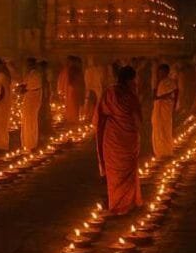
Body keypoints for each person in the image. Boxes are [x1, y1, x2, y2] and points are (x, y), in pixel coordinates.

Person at [95, 66, 143, 215]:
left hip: (112, 136)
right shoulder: (130, 96)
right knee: (127, 170)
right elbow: (137, 119)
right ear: (129, 80)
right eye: (133, 80)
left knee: (115, 173)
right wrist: (139, 131)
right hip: (127, 137)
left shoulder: (109, 92)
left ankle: (119, 204)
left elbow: (99, 114)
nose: (135, 82)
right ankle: (127, 203)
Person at [151, 64, 177, 159]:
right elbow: (154, 95)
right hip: (158, 108)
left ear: (167, 72)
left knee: (165, 129)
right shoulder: (159, 82)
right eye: (159, 72)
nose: (160, 74)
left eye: (162, 72)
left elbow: (172, 93)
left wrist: (159, 98)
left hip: (165, 109)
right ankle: (159, 151)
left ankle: (166, 151)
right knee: (158, 128)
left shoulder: (170, 82)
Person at [22, 57, 43, 150]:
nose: (27, 66)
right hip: (28, 98)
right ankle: (27, 142)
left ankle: (31, 143)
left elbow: (29, 87)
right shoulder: (30, 74)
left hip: (32, 99)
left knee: (31, 121)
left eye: (29, 64)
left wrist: (23, 89)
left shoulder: (35, 74)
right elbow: (24, 85)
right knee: (27, 120)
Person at [59, 56, 86, 123]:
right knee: (71, 105)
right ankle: (71, 119)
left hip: (74, 90)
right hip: (72, 89)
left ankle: (73, 120)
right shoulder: (69, 70)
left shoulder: (75, 70)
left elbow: (78, 80)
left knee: (74, 105)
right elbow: (65, 80)